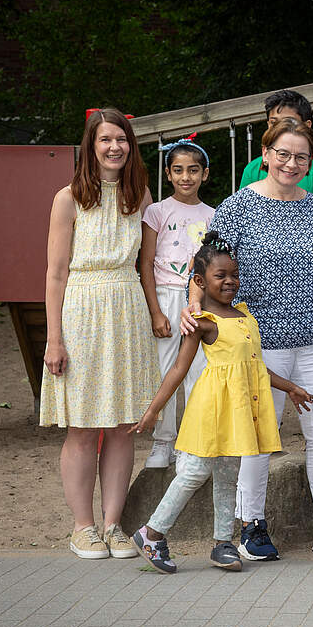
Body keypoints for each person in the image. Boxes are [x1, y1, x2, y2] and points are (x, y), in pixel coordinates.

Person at [181, 119, 313, 561]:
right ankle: (251, 525)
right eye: (283, 154)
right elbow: (205, 266)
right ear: (265, 154)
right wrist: (193, 305)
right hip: (258, 342)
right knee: (257, 435)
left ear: (311, 163)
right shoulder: (237, 207)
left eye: (301, 157)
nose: (291, 164)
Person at [130, 233, 313, 574]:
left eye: (234, 274)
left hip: (237, 413)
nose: (230, 281)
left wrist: (291, 387)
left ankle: (222, 543)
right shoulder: (202, 322)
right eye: (220, 276)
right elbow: (178, 369)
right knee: (194, 472)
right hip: (211, 410)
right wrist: (154, 410)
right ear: (200, 281)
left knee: (229, 475)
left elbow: (255, 367)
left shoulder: (244, 316)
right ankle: (152, 533)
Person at [42, 108, 161, 561]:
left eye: (122, 139)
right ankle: (82, 527)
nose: (115, 147)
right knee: (83, 426)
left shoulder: (140, 195)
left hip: (127, 309)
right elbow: (56, 274)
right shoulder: (68, 198)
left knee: (122, 426)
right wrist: (55, 338)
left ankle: (113, 524)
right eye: (105, 140)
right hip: (83, 312)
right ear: (90, 147)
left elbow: (147, 264)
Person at [138, 138, 214, 469]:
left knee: (198, 371)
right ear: (168, 174)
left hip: (198, 299)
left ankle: (190, 443)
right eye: (179, 170)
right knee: (165, 370)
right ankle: (163, 441)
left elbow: (212, 264)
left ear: (205, 174)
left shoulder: (213, 215)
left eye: (193, 170)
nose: (186, 177)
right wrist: (156, 311)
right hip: (165, 295)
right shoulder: (156, 212)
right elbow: (146, 263)